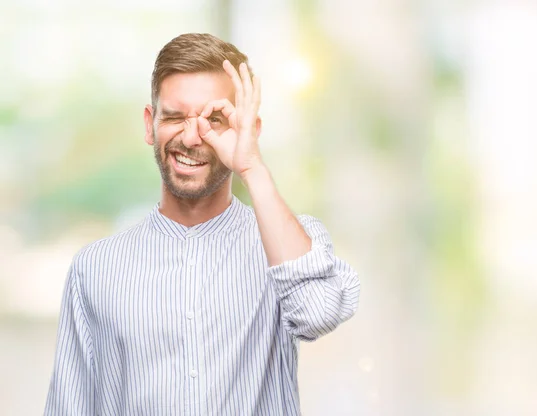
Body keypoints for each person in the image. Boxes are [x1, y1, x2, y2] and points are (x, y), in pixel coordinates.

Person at [44, 33, 360, 415]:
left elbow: (317, 314)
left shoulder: (289, 243)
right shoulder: (94, 269)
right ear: (150, 123)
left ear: (250, 129)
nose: (191, 137)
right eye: (175, 117)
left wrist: (251, 167)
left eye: (215, 120)